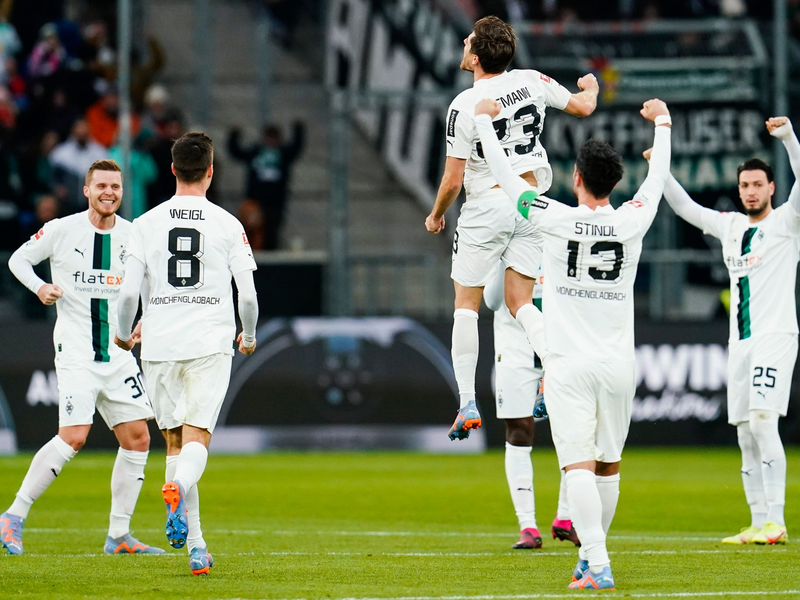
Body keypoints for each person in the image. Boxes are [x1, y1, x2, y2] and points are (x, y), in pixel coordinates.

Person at [476, 96, 672, 589]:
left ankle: (599, 563)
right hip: (618, 366)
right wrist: (663, 124)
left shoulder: (554, 217)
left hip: (568, 366)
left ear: (577, 178)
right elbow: (657, 180)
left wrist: (483, 121)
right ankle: (588, 558)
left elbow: (507, 179)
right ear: (616, 183)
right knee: (608, 466)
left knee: (577, 466)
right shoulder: (633, 219)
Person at [423, 16, 599, 441]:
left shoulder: (465, 104)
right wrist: (591, 86)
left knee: (466, 306)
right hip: (531, 203)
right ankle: (552, 371)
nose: (463, 43)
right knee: (521, 301)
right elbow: (583, 107)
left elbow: (452, 180)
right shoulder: (531, 80)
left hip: (487, 204)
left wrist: (436, 214)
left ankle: (467, 402)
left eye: (468, 41)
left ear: (476, 57)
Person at [1, 159, 164, 556]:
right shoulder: (62, 230)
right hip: (76, 352)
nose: (109, 192)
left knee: (138, 437)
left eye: (116, 187)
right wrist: (40, 287)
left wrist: (144, 321)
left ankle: (119, 536)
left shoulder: (134, 235)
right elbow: (18, 260)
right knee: (74, 436)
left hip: (118, 354)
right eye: (102, 186)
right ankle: (12, 516)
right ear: (87, 190)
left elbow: (150, 284)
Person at [115, 132, 259, 576]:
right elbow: (248, 295)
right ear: (211, 171)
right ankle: (176, 489)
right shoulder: (228, 224)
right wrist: (249, 334)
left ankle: (197, 547)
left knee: (175, 442)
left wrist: (124, 333)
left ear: (173, 169)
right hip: (208, 343)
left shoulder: (144, 224)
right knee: (197, 440)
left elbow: (127, 295)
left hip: (159, 345)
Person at [658, 117, 799, 546]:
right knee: (744, 431)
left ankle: (777, 520)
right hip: (740, 342)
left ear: (772, 188)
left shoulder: (787, 223)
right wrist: (660, 169)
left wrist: (789, 138)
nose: (751, 191)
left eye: (758, 184)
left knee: (762, 421)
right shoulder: (730, 226)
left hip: (776, 336)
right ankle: (757, 522)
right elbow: (685, 208)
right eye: (744, 185)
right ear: (738, 190)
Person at [483, 261, 579, 549]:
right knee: (519, 430)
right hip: (515, 352)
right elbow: (492, 301)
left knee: (576, 430)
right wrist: (502, 259)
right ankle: (527, 526)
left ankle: (566, 518)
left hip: (559, 350)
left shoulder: (558, 242)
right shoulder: (504, 249)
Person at [227, 122, 305, 250]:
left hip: (275, 202)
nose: (271, 141)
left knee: (271, 231)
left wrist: (298, 130)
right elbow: (237, 153)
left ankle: (269, 253)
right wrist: (234, 135)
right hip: (255, 200)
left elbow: (296, 149)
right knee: (252, 229)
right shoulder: (256, 152)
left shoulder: (283, 153)